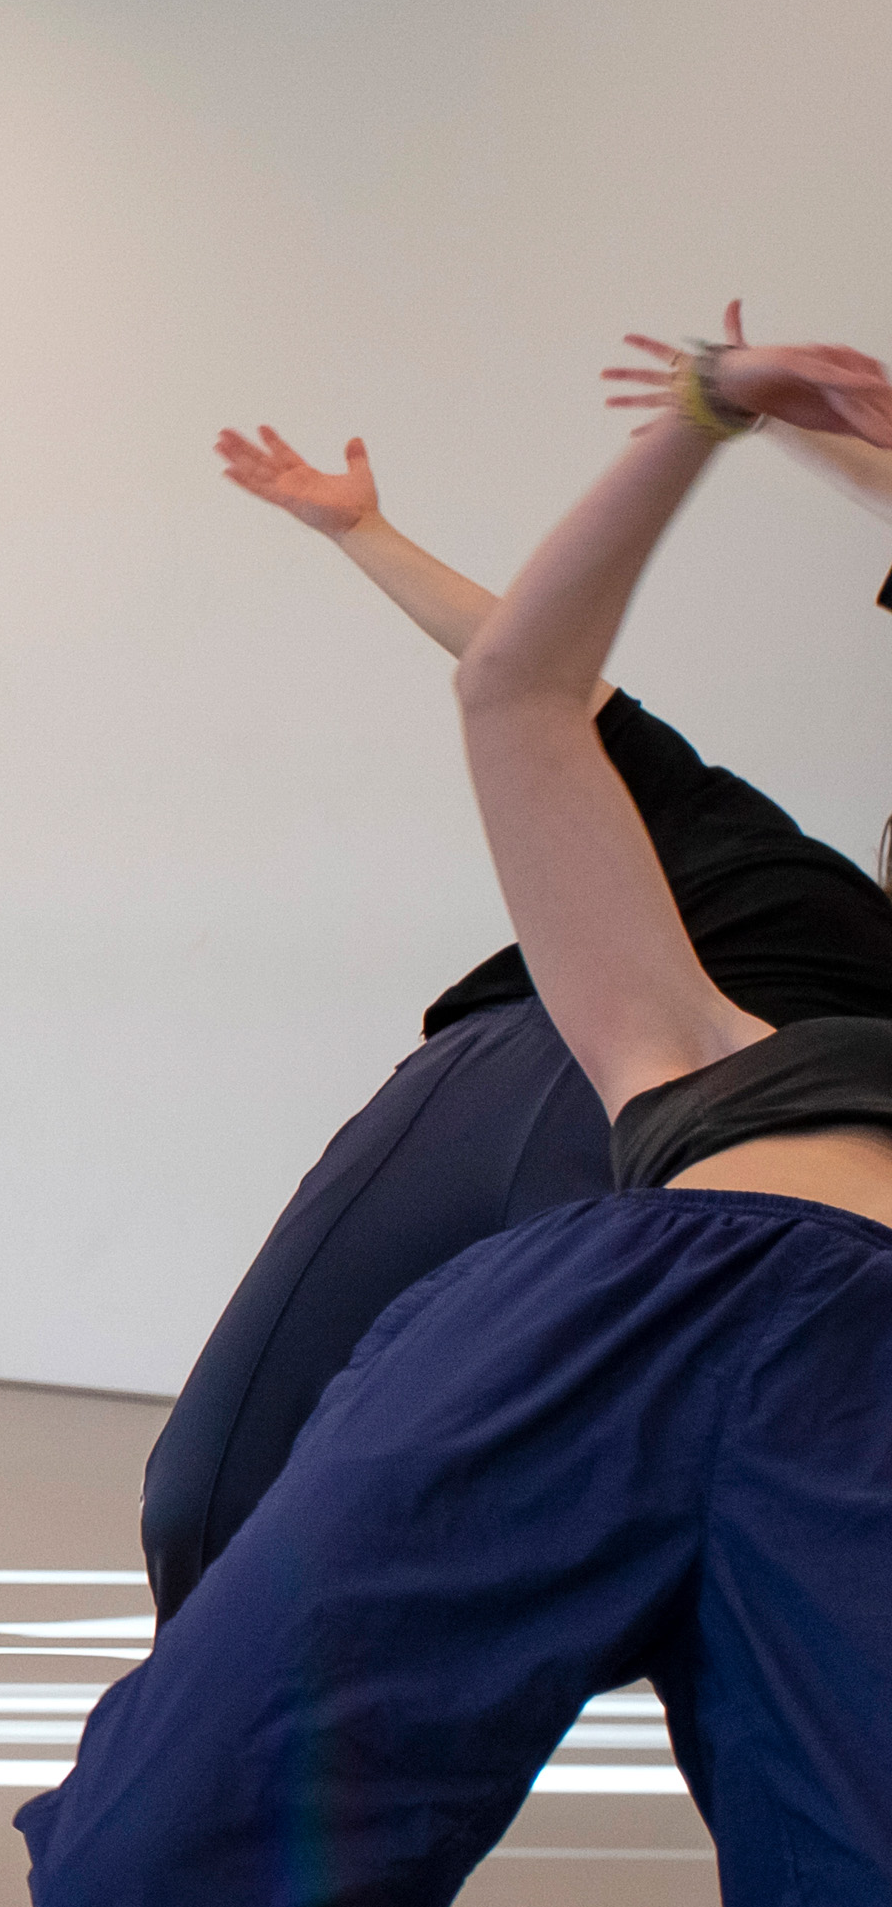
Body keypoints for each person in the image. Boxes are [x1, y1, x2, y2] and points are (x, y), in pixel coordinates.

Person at [22, 328, 892, 1907]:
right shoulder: (684, 1010)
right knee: (152, 1850)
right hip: (601, 1314)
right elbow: (519, 686)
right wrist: (692, 430)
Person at [140, 412, 892, 1616]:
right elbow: (524, 662)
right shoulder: (766, 860)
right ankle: (200, 1748)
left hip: (695, 1176)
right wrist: (361, 533)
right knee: (205, 1502)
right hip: (512, 1083)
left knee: (572, 1546)